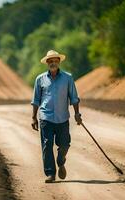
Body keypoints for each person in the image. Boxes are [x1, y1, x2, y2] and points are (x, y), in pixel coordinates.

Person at [31, 50, 82, 183]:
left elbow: (74, 98)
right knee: (47, 145)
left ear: (59, 62)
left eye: (55, 61)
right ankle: (50, 173)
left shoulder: (68, 78)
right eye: (51, 61)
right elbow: (36, 100)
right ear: (47, 63)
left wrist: (77, 114)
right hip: (45, 118)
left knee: (64, 144)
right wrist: (33, 117)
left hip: (62, 118)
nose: (53, 63)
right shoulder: (40, 79)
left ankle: (61, 161)